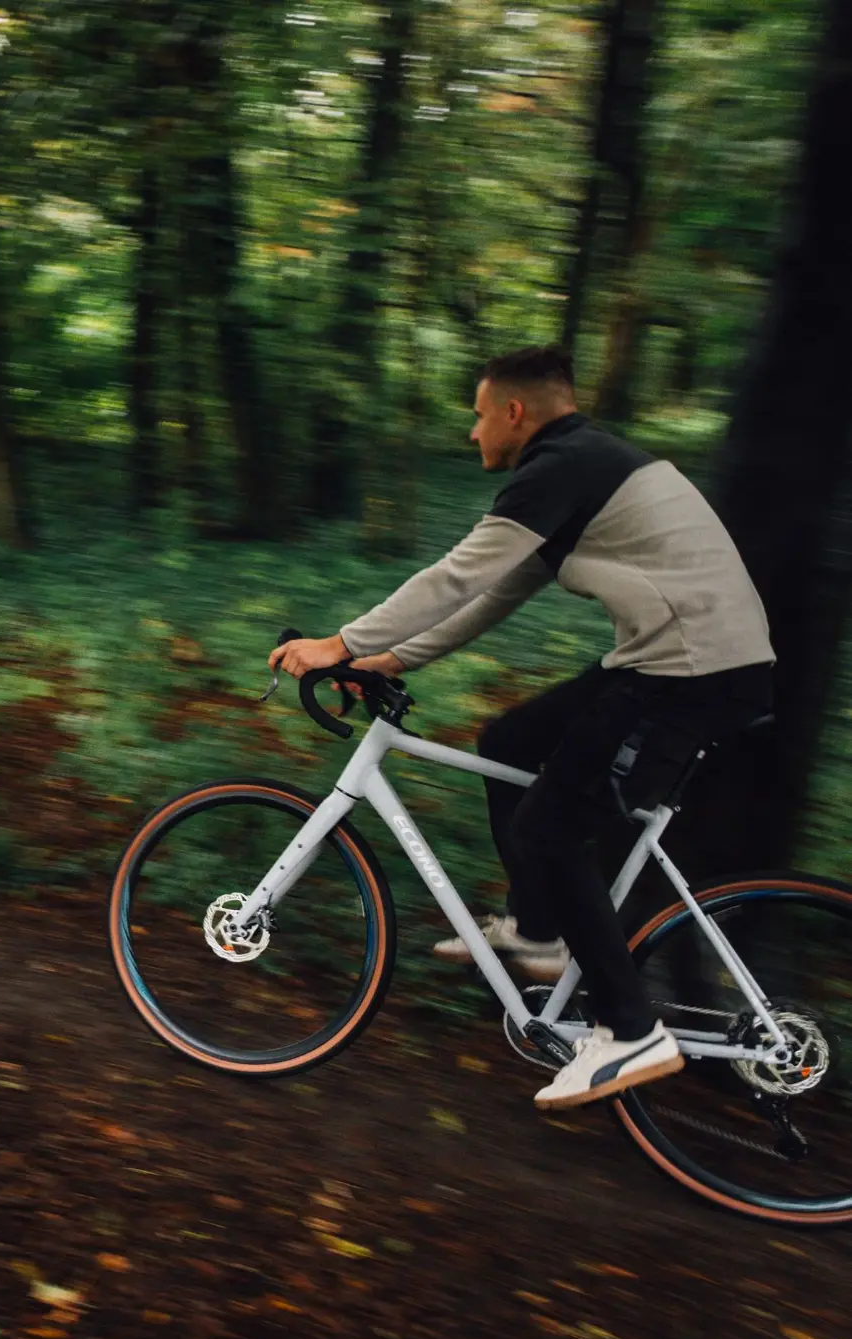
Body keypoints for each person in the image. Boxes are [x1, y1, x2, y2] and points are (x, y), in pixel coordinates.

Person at [268, 345, 774, 1110]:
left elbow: (457, 574)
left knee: (550, 828)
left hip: (692, 674)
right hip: (671, 657)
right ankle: (538, 931)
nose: (473, 434)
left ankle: (631, 1031)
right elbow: (494, 594)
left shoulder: (561, 466)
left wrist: (341, 645)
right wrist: (389, 660)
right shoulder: (582, 468)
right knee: (509, 743)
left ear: (513, 412)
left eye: (477, 416)